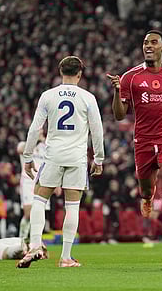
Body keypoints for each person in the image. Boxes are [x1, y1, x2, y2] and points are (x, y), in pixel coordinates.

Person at [107, 30, 162, 266]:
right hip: (143, 141)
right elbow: (119, 115)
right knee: (146, 189)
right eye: (145, 43)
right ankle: (147, 196)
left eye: (153, 42)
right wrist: (116, 92)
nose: (148, 46)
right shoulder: (130, 78)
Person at [17, 56, 104, 268]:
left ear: (60, 71)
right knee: (72, 207)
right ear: (80, 74)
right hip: (77, 158)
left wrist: (27, 157)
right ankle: (65, 257)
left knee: (39, 200)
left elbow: (35, 129)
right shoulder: (88, 98)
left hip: (53, 155)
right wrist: (99, 158)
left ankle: (35, 245)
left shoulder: (48, 96)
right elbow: (97, 130)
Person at [16, 131, 46, 240]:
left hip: (42, 182)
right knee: (28, 214)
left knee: (38, 213)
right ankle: (22, 239)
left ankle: (35, 240)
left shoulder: (45, 146)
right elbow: (20, 150)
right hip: (27, 182)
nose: (40, 133)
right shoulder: (25, 144)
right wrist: (35, 140)